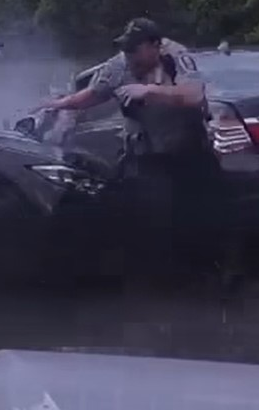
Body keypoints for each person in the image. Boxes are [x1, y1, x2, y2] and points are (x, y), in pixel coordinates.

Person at [39, 18, 237, 287]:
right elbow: (93, 94)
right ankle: (161, 277)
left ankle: (215, 273)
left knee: (206, 212)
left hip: (186, 147)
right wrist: (61, 103)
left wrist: (150, 91)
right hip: (145, 152)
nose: (130, 54)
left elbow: (194, 95)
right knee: (148, 213)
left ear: (156, 45)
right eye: (126, 48)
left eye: (135, 48)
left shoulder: (176, 57)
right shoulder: (119, 64)